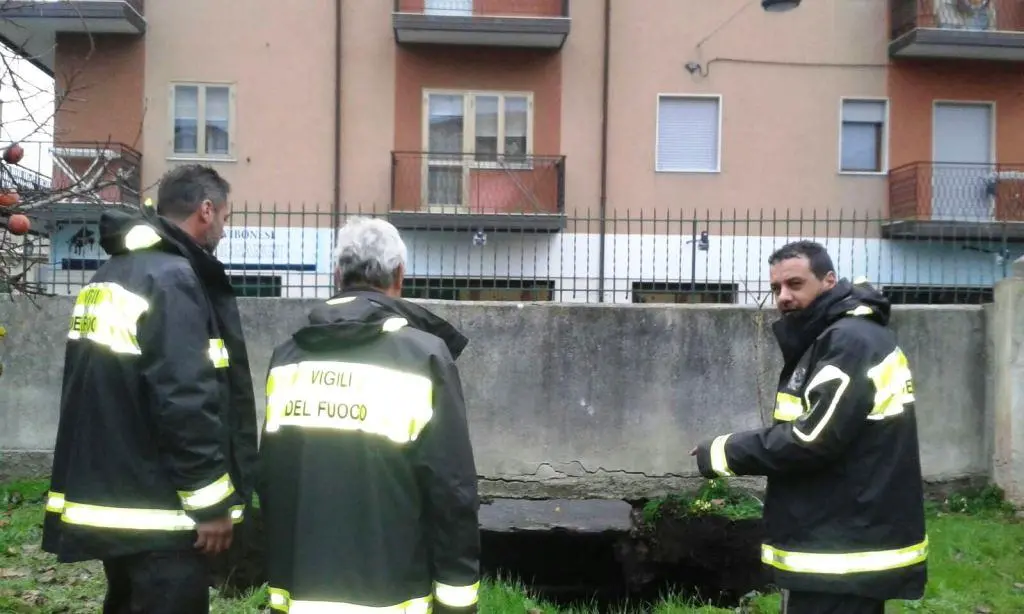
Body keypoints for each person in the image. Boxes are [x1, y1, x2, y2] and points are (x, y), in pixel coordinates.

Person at [41, 164, 259, 614]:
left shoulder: (113, 273)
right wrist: (211, 505)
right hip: (163, 515)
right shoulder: (173, 279)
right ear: (205, 210)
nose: (223, 227)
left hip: (119, 502)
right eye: (224, 216)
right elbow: (185, 401)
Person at [691, 240, 927, 614]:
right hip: (843, 531)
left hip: (841, 545)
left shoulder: (849, 342)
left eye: (795, 284)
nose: (783, 297)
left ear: (829, 281)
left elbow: (811, 438)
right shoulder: (838, 336)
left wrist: (722, 451)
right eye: (776, 288)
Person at [259, 216, 481, 614]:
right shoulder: (424, 358)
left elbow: (272, 478)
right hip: (392, 598)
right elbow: (451, 491)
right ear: (400, 276)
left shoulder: (287, 358)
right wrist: (457, 599)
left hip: (300, 594)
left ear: (337, 275)